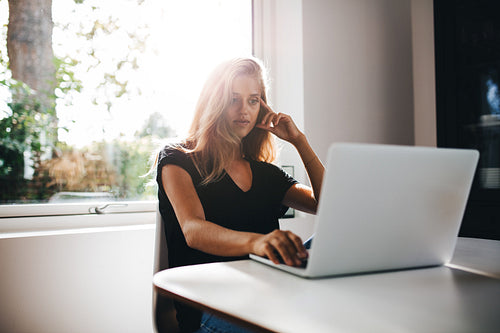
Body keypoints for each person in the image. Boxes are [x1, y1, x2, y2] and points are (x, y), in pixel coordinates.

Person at [156, 57, 324, 333]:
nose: (243, 110)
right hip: (211, 307)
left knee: (324, 242)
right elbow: (194, 230)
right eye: (233, 99)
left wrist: (299, 140)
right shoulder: (178, 159)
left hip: (270, 298)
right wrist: (258, 243)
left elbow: (327, 205)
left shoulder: (265, 174)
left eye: (253, 100)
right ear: (215, 102)